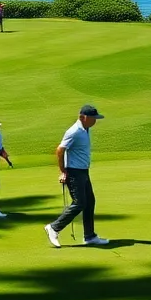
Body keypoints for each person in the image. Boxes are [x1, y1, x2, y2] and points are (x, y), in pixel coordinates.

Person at [45, 104, 109, 247]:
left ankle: (89, 236)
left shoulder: (85, 129)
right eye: (92, 118)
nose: (95, 121)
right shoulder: (74, 131)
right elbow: (60, 150)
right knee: (79, 203)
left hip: (83, 172)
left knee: (89, 202)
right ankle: (54, 228)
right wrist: (63, 171)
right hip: (74, 172)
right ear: (82, 117)